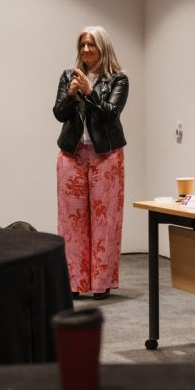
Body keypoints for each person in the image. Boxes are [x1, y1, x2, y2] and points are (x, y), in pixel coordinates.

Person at [53, 27, 128, 300]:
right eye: (82, 45)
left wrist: (90, 92)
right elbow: (59, 114)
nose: (85, 50)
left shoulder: (118, 79)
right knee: (71, 222)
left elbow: (110, 115)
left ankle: (101, 283)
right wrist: (73, 95)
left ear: (102, 48)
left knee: (105, 220)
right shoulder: (68, 77)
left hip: (106, 156)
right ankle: (74, 282)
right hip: (72, 156)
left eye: (91, 45)